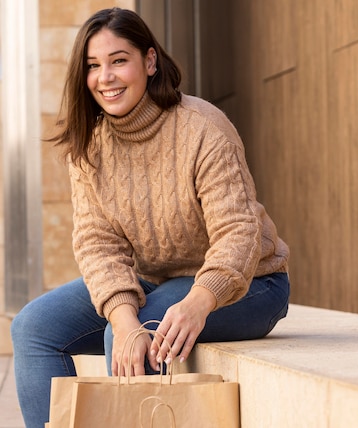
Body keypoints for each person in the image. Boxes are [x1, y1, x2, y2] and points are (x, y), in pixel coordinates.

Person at [10, 7, 290, 428]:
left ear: (150, 61)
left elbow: (239, 232)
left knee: (139, 331)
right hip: (157, 282)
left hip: (249, 285)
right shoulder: (90, 145)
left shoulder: (201, 128)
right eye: (93, 66)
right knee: (35, 326)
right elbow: (97, 243)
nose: (106, 77)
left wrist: (198, 301)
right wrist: (123, 317)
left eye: (119, 60)